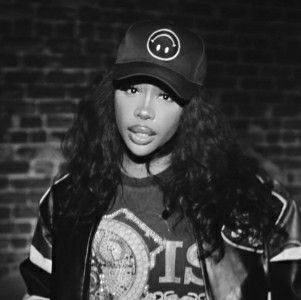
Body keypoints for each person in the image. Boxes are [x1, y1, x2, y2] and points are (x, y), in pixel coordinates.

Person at [20, 20, 301, 300]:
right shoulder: (66, 200)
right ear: (111, 94)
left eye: (166, 95)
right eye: (132, 89)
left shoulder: (258, 203)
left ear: (191, 111)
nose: (144, 110)